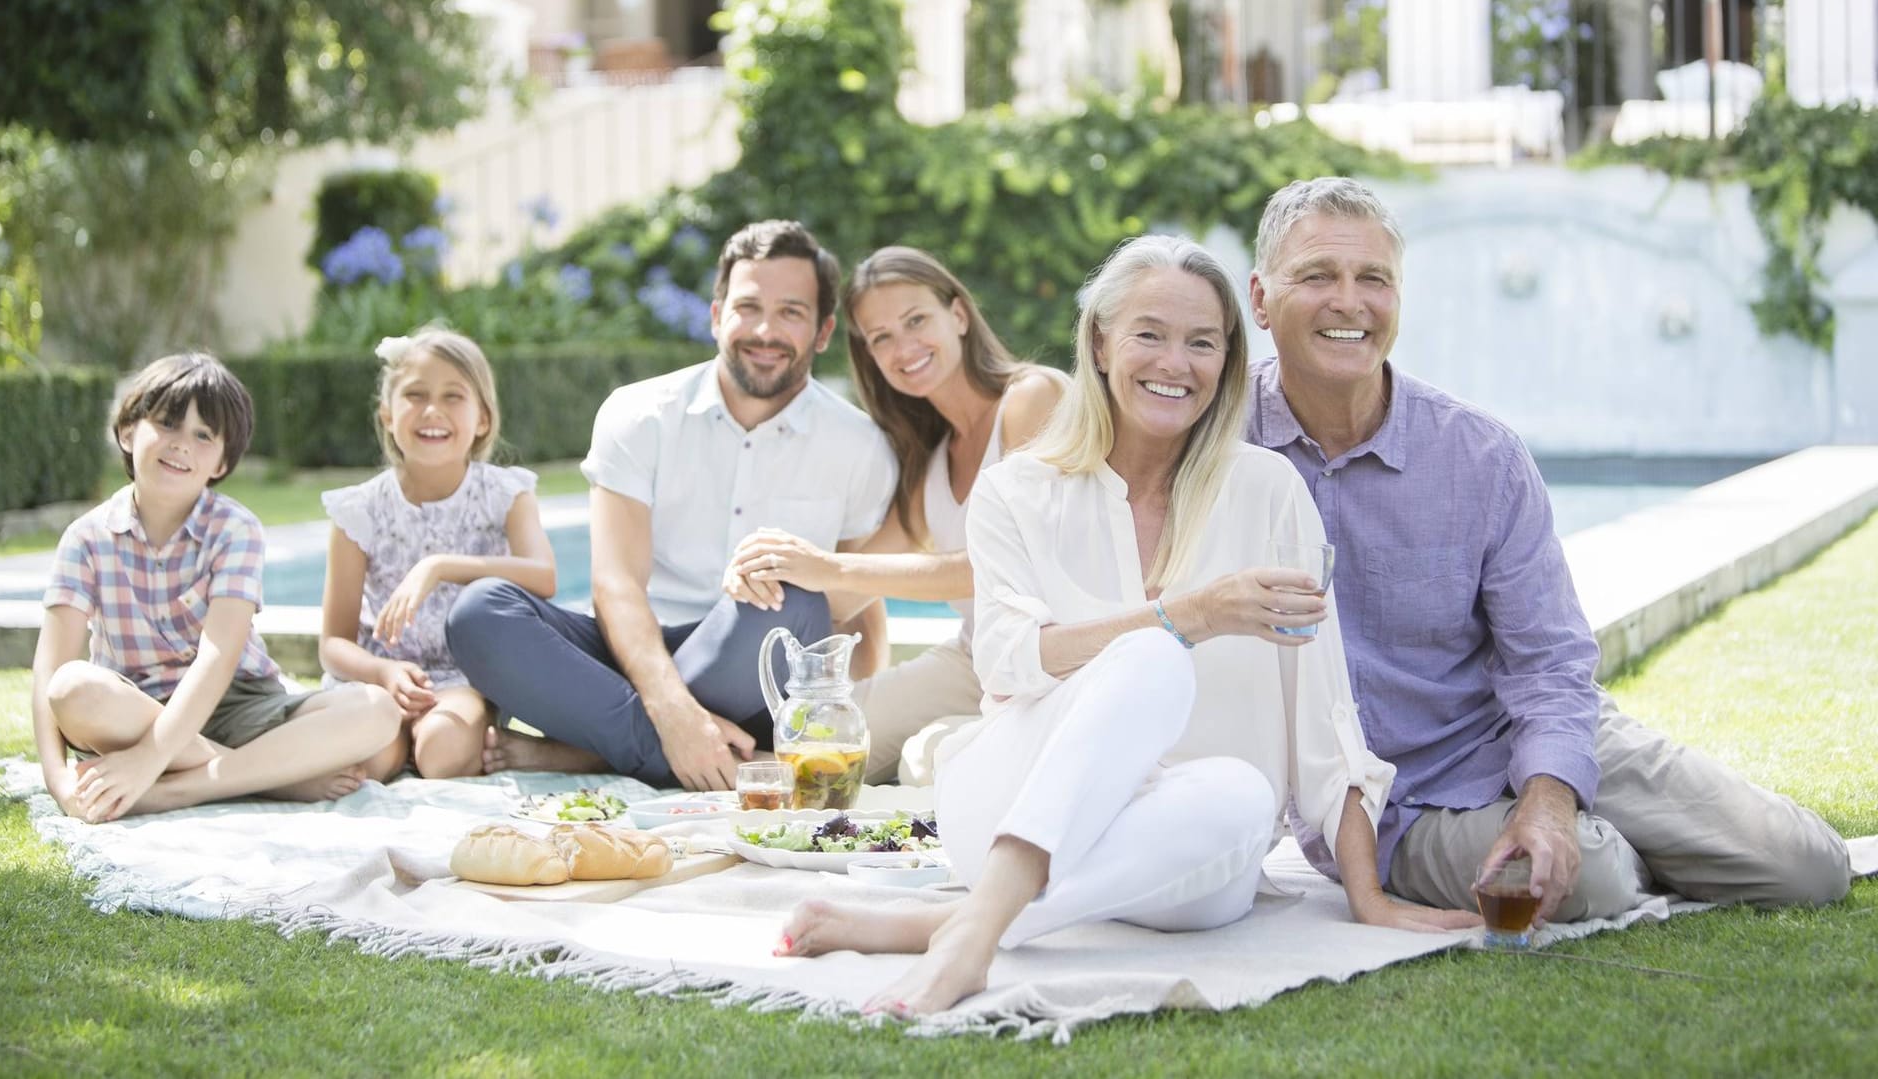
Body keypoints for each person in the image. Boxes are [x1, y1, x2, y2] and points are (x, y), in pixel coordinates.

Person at [775, 235, 1476, 1017]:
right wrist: (1190, 615)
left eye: (1202, 342)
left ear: (1227, 360)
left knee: (1245, 796)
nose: (1175, 362)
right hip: (1010, 804)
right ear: (1101, 341)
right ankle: (976, 939)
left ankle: (955, 922)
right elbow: (1006, 662)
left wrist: (1368, 894)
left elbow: (1324, 718)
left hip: (1178, 852)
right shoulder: (1016, 492)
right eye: (1150, 333)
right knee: (1152, 654)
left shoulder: (1271, 493)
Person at [1242, 177, 1852, 923]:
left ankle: (1590, 818)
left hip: (1520, 731)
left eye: (1375, 278)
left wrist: (1550, 793)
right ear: (1261, 298)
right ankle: (1613, 844)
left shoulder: (1479, 456)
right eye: (1318, 276)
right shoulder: (1214, 446)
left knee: (1807, 867)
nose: (1350, 301)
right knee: (1587, 877)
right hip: (1391, 808)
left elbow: (1550, 660)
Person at [447, 220, 897, 791]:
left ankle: (594, 749)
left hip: (752, 664)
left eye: (791, 312)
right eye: (748, 306)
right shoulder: (638, 415)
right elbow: (617, 585)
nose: (764, 329)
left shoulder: (859, 445)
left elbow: (856, 608)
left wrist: (847, 727)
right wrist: (673, 711)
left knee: (794, 598)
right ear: (716, 316)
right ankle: (693, 748)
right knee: (480, 612)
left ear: (824, 330)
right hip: (632, 652)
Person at [720, 246, 1064, 785]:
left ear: (958, 314)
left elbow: (1005, 571)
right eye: (881, 338)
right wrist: (760, 577)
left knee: (928, 766)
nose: (903, 348)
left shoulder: (1031, 399)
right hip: (975, 661)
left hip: (1055, 661)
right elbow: (839, 599)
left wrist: (826, 567)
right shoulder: (929, 464)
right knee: (803, 751)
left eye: (915, 320)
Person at [31, 353, 400, 824]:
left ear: (222, 461)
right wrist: (60, 783)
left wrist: (147, 762)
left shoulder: (234, 529)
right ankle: (273, 776)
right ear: (127, 431)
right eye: (166, 424)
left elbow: (218, 657)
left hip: (241, 704)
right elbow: (50, 669)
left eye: (203, 435)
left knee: (378, 711)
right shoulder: (85, 538)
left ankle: (178, 788)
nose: (181, 444)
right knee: (73, 688)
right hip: (134, 707)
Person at [318, 330, 557, 779]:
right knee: (368, 762)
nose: (433, 411)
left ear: (483, 418)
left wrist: (440, 566)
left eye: (453, 396)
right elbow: (333, 644)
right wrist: (384, 673)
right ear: (387, 415)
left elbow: (544, 576)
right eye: (415, 395)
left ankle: (444, 737)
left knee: (441, 753)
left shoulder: (507, 494)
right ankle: (400, 740)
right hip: (380, 679)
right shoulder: (358, 510)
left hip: (462, 681)